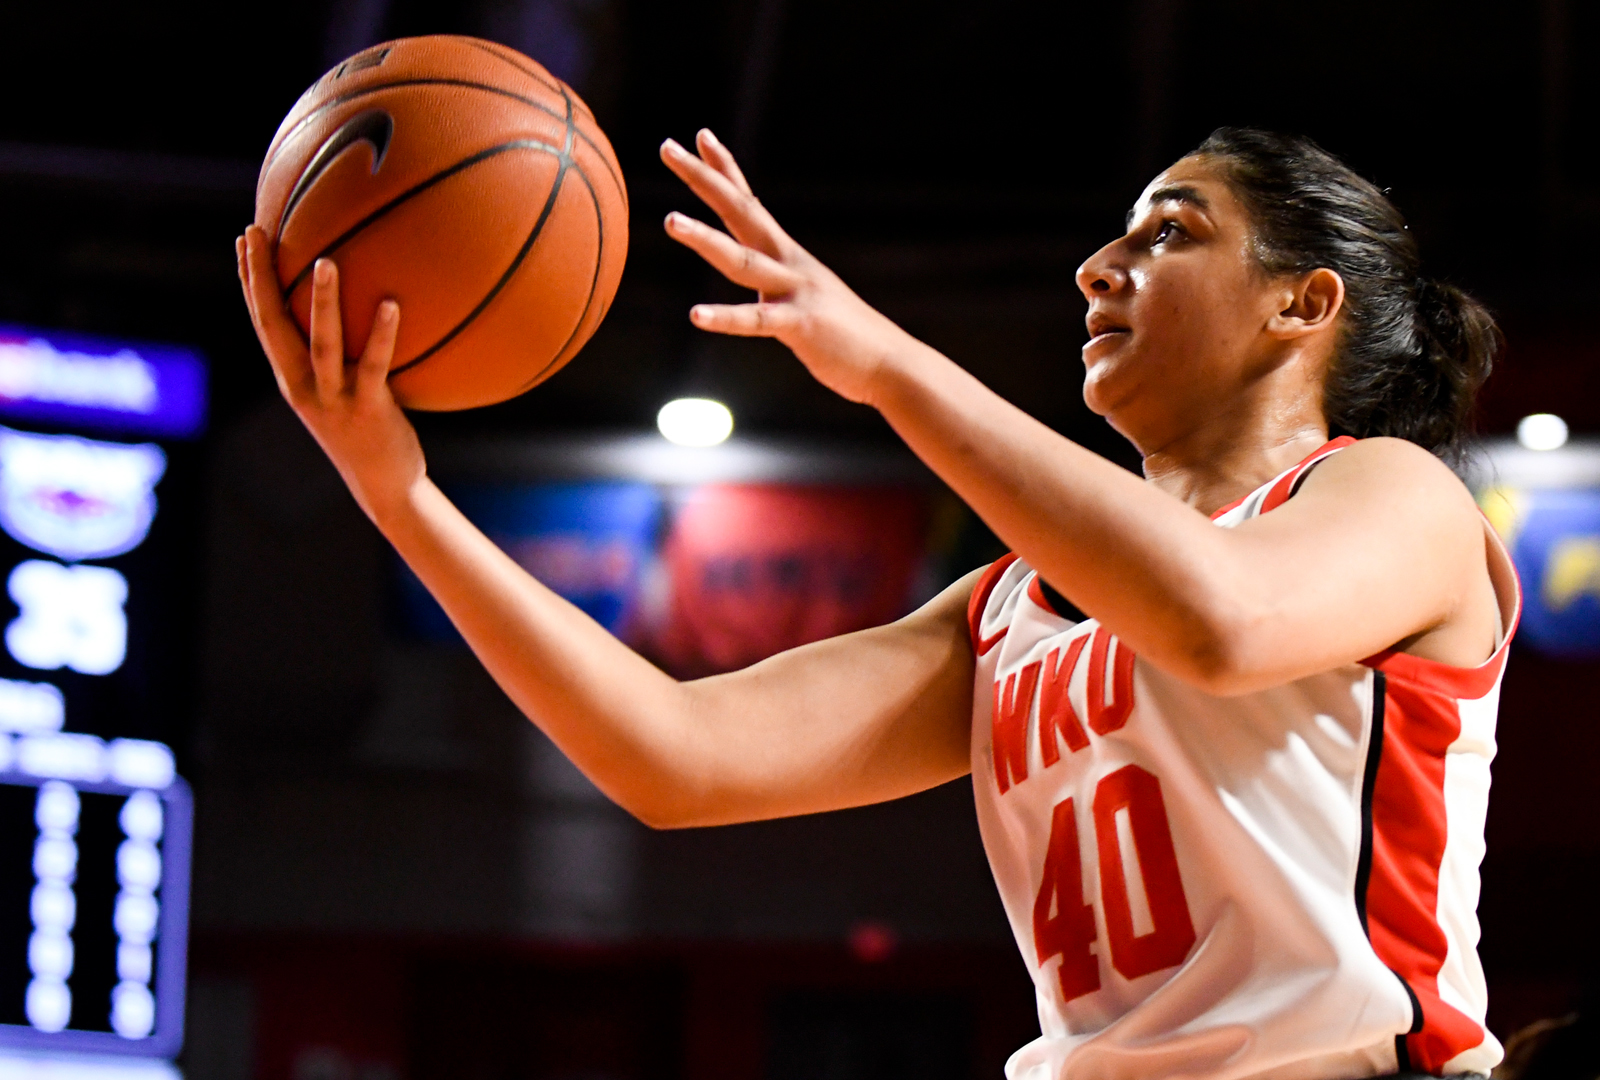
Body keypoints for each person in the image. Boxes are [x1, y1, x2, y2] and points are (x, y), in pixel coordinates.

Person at [236, 125, 1516, 1080]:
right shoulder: (1009, 605)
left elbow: (1221, 623)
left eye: (1169, 233)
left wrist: (885, 364)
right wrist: (398, 492)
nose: (1097, 268)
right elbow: (673, 757)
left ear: (1305, 304)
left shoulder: (1393, 498)